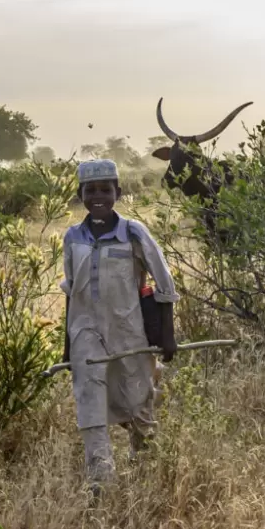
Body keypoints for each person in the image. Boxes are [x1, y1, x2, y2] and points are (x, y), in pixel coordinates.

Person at [60, 159, 177, 488]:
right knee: (89, 400)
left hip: (129, 329)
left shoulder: (134, 233)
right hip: (84, 331)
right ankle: (101, 481)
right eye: (90, 190)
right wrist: (67, 347)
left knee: (138, 401)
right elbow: (71, 291)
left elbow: (164, 285)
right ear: (80, 193)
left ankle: (145, 470)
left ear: (118, 193)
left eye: (105, 190)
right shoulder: (72, 238)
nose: (98, 196)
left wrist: (167, 337)